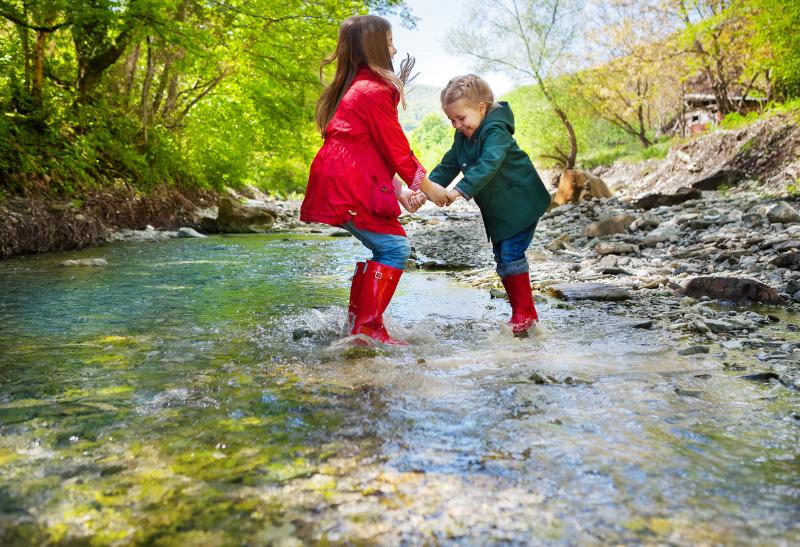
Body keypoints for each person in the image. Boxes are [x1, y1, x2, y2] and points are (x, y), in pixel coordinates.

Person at [300, 15, 449, 345]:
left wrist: (399, 192)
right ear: (374, 47)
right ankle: (366, 328)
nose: (395, 49)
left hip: (345, 176)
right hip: (349, 181)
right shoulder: (373, 91)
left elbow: (373, 150)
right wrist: (428, 187)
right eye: (390, 42)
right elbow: (397, 149)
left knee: (385, 245)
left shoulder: (360, 89)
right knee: (394, 247)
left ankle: (357, 326)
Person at [429, 75, 552, 337]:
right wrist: (427, 189)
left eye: (461, 118)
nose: (457, 125)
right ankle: (522, 312)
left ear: (481, 109)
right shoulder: (463, 135)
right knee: (502, 257)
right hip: (501, 210)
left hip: (522, 203)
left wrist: (458, 191)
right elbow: (450, 162)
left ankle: (525, 315)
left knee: (511, 255)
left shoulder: (496, 131)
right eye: (451, 120)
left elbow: (489, 164)